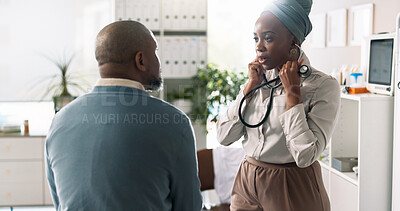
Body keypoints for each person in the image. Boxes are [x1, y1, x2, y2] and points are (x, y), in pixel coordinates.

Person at [45, 20, 202, 211]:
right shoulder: (174, 123)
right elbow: (189, 206)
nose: (159, 61)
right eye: (156, 52)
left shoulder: (59, 121)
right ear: (141, 60)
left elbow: (60, 203)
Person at [217, 0, 340, 210]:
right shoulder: (256, 80)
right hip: (247, 181)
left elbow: (305, 156)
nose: (259, 46)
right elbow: (224, 136)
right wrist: (249, 88)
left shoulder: (322, 86)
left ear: (294, 41)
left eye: (268, 38)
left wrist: (293, 93)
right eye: (256, 38)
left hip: (291, 184)